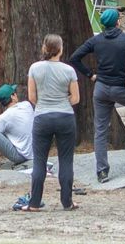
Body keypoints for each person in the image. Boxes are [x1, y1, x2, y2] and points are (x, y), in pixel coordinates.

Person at [70, 8, 125, 184]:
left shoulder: (96, 40)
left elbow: (75, 58)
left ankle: (102, 171)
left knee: (100, 129)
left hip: (100, 88)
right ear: (117, 22)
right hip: (120, 87)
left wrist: (90, 75)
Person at [23, 34, 80, 211]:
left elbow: (32, 97)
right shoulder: (69, 70)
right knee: (66, 160)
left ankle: (34, 203)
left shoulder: (35, 68)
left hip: (42, 117)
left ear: (44, 48)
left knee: (39, 161)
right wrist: (61, 103)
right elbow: (76, 98)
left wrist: (45, 105)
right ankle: (67, 201)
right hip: (65, 117)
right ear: (60, 49)